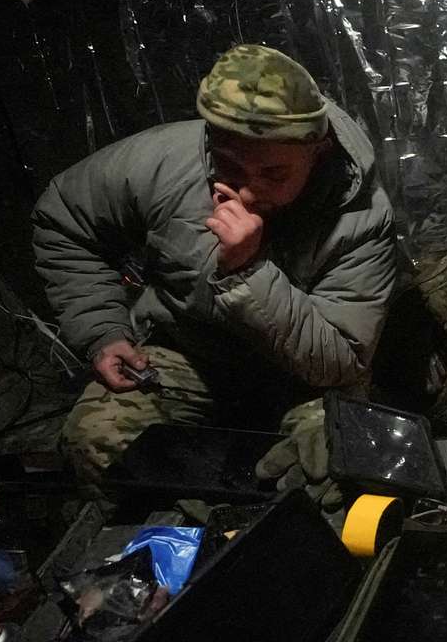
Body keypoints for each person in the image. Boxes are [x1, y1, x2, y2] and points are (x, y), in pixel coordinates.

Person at [32, 44, 396, 505]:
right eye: (229, 164)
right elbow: (63, 219)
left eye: (274, 173)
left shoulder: (362, 218)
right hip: (194, 353)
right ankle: (161, 563)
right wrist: (102, 330)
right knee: (97, 439)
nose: (246, 191)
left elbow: (339, 360)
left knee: (329, 466)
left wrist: (248, 269)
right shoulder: (163, 162)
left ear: (317, 151)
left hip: (304, 378)